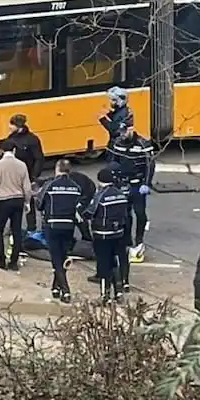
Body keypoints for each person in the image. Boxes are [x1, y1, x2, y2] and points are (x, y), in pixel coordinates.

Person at [108, 123, 156, 263]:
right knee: (125, 213)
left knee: (140, 213)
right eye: (121, 132)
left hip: (138, 184)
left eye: (124, 132)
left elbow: (150, 165)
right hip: (123, 183)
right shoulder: (118, 143)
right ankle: (127, 239)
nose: (122, 135)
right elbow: (114, 162)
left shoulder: (142, 144)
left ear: (131, 129)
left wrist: (146, 183)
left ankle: (139, 238)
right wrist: (114, 179)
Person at [37, 160, 83, 303]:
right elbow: (79, 206)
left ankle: (65, 290)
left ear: (57, 169)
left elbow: (39, 204)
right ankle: (55, 287)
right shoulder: (76, 187)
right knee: (62, 257)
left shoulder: (50, 185)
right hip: (69, 226)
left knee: (56, 258)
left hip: (53, 225)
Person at [83, 168, 130, 303]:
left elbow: (89, 212)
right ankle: (119, 293)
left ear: (100, 180)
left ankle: (105, 296)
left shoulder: (100, 195)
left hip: (102, 234)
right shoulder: (121, 194)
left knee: (104, 264)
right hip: (118, 233)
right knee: (115, 263)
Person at [0, 140, 32, 271]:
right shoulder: (22, 165)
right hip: (18, 200)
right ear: (14, 150)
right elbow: (27, 187)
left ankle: (1, 259)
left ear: (1, 151)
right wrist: (27, 202)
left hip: (4, 201)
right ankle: (13, 262)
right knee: (16, 231)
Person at [6, 114, 45, 231]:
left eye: (11, 124)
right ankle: (16, 227)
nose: (9, 126)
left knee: (27, 201)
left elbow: (38, 158)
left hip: (26, 175)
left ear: (18, 126)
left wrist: (34, 176)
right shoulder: (15, 137)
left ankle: (30, 227)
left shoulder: (31, 140)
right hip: (14, 175)